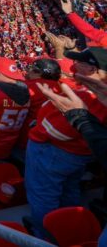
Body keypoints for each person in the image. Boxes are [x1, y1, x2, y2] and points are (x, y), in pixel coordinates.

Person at [23, 47, 107, 239]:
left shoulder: (87, 95)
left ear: (92, 69)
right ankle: (70, 230)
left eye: (80, 63)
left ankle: (46, 236)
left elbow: (57, 130)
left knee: (43, 196)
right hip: (80, 154)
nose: (73, 65)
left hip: (54, 152)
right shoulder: (98, 90)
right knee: (70, 190)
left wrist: (39, 127)